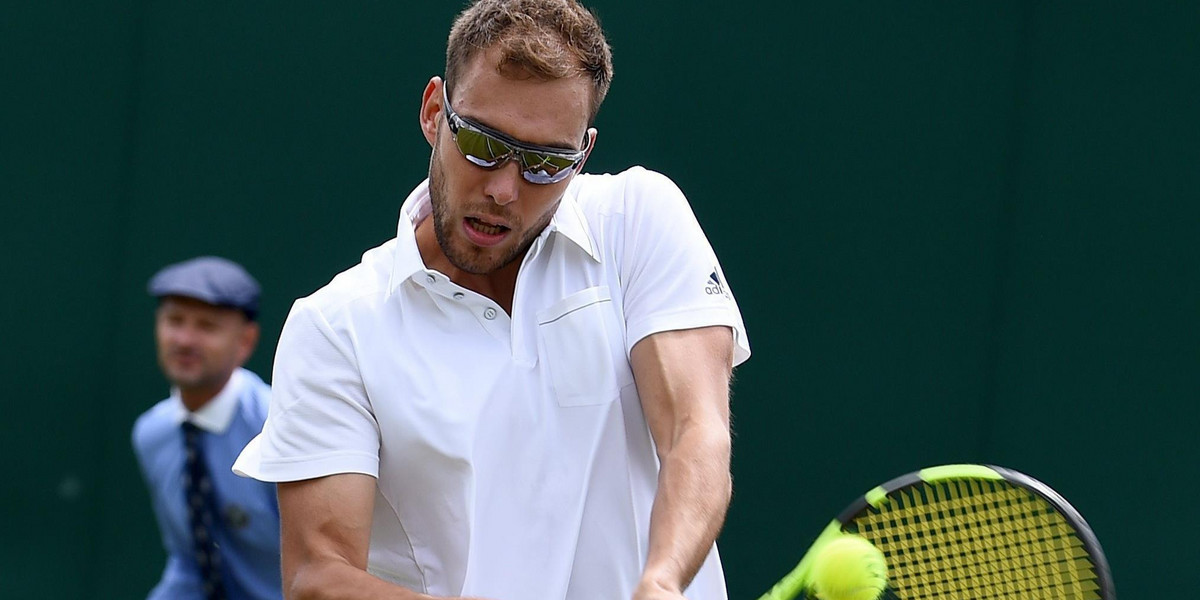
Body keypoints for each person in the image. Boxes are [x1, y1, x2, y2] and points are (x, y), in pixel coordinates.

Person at [233, 1, 750, 598]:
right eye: (482, 142)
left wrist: (661, 582)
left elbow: (696, 432)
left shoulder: (640, 219)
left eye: (544, 163)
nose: (505, 188)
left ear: (582, 155)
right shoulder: (334, 326)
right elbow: (317, 576)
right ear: (434, 112)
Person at [133, 256, 283, 600]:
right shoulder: (150, 433)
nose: (185, 340)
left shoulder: (279, 428)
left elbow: (317, 568)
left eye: (207, 326)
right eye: (174, 321)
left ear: (245, 341)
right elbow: (188, 561)